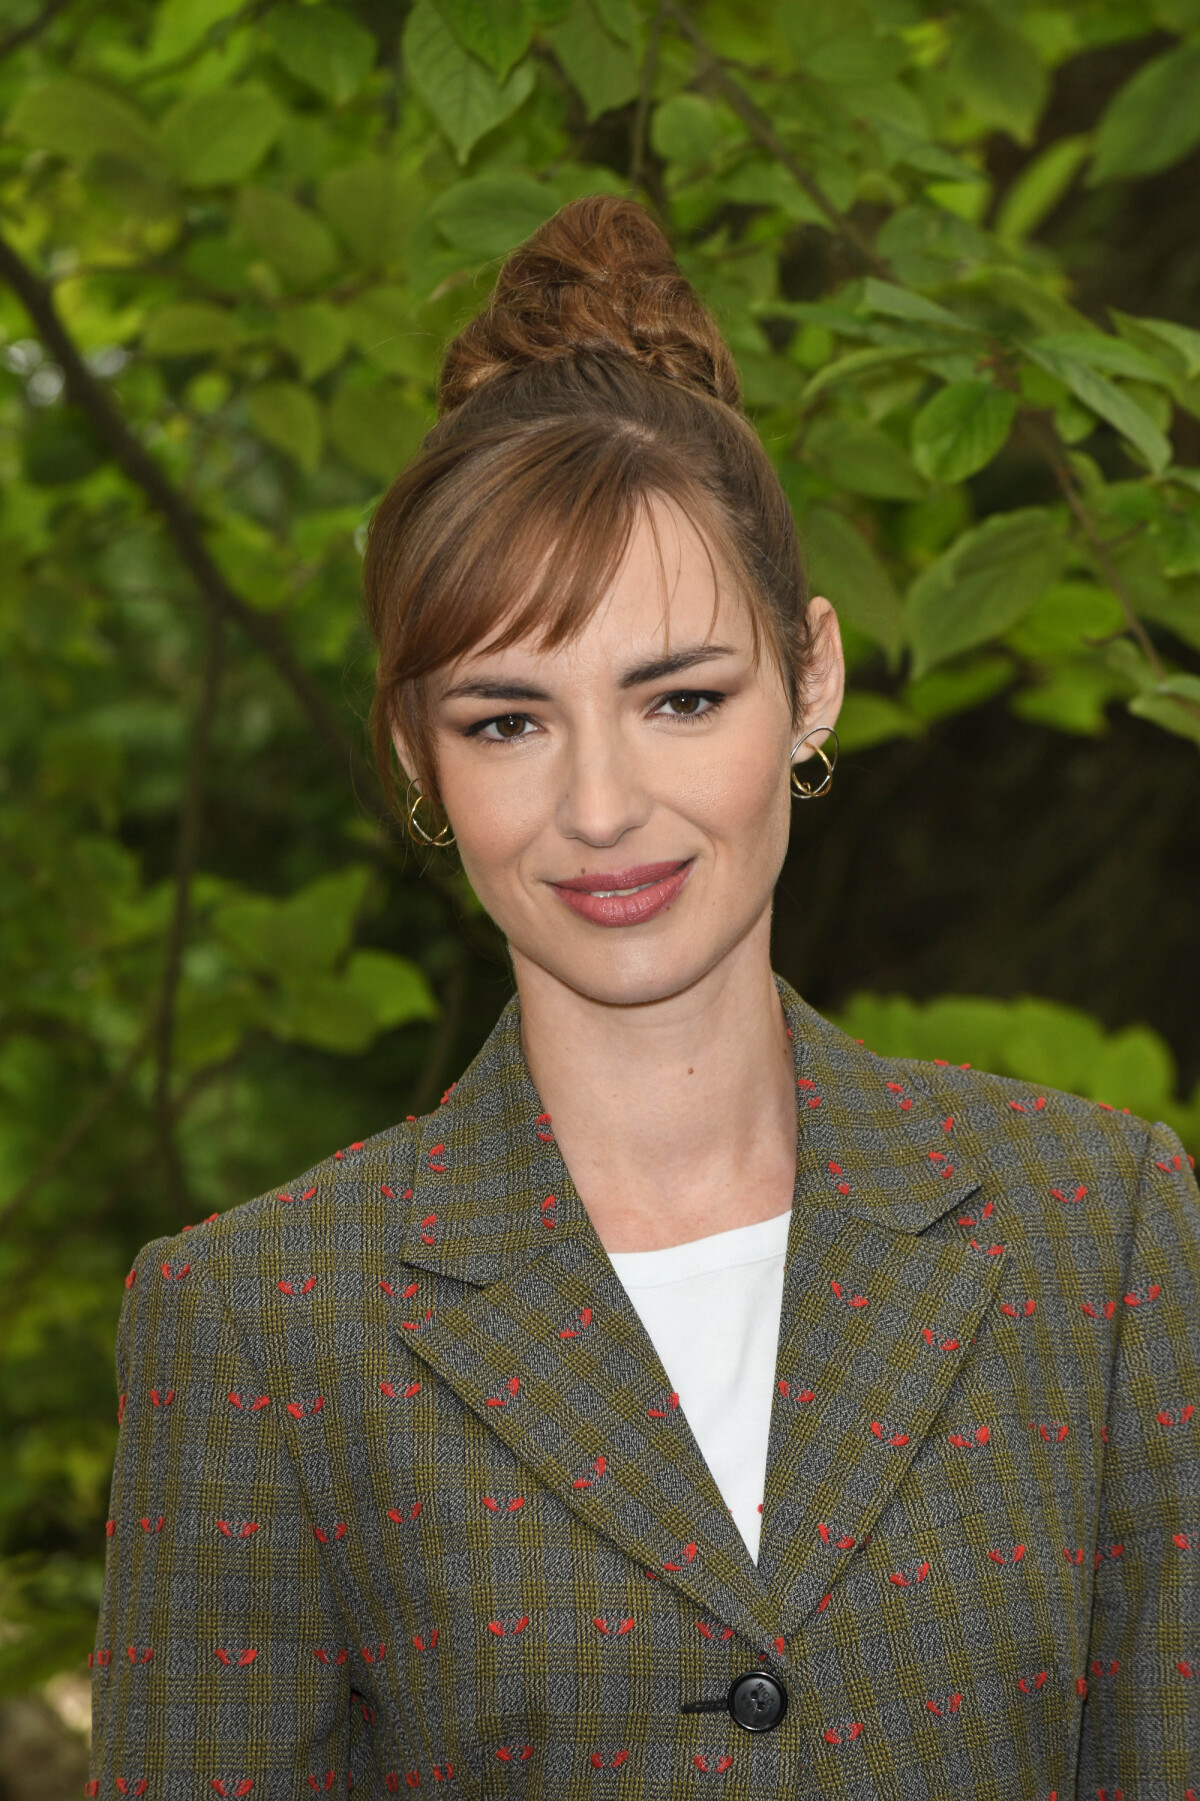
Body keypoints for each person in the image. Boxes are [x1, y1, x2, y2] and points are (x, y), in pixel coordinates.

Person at [90, 197, 1200, 1800]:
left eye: (680, 695)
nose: (601, 805)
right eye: (507, 721)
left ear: (809, 677)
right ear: (415, 750)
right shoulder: (260, 1324)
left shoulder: (1101, 1237)